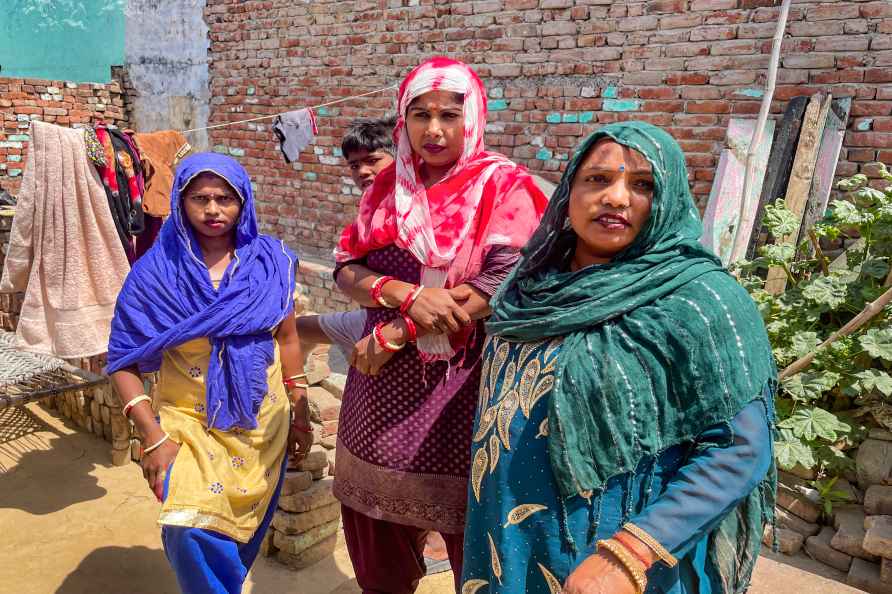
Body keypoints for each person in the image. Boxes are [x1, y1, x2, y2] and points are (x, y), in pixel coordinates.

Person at [461, 121, 777, 594]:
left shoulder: (699, 301)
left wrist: (626, 555)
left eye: (643, 185)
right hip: (507, 545)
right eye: (597, 179)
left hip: (622, 564)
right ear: (569, 191)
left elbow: (738, 449)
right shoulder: (527, 289)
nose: (616, 198)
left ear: (667, 200)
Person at [331, 57, 548, 593]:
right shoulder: (386, 189)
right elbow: (346, 266)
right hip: (379, 389)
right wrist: (401, 294)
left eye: (449, 114)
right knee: (376, 533)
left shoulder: (505, 187)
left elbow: (507, 276)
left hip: (464, 388)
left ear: (471, 116)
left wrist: (398, 331)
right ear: (401, 121)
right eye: (419, 115)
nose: (433, 130)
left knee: (474, 533)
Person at [106, 153, 314, 594]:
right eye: (200, 198)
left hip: (263, 424)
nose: (213, 210)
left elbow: (289, 338)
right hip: (187, 424)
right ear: (181, 202)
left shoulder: (270, 262)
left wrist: (301, 412)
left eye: (225, 198)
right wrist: (152, 435)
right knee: (188, 529)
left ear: (245, 203)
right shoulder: (154, 275)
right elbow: (123, 359)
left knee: (240, 535)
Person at [296, 116, 396, 360]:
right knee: (293, 328)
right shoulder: (368, 214)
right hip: (370, 318)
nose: (362, 171)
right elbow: (345, 270)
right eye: (354, 165)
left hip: (399, 325)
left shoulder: (414, 213)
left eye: (373, 160)